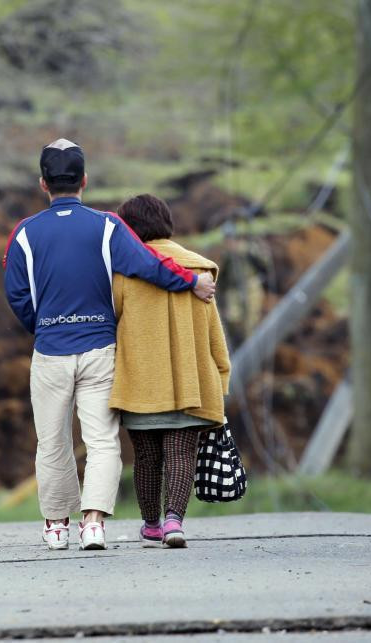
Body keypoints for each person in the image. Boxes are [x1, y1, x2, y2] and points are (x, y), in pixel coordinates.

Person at [3, 139, 216, 551]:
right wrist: (193, 282)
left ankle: (56, 526)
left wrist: (43, 326)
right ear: (84, 180)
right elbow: (149, 266)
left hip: (50, 350)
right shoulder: (108, 227)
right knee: (101, 439)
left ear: (42, 183)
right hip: (100, 348)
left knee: (52, 440)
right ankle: (94, 523)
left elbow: (16, 294)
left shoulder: (24, 233)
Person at [108, 194, 231, 548]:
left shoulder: (125, 273)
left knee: (147, 457)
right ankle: (174, 522)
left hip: (141, 382)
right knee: (180, 454)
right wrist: (221, 373)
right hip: (191, 382)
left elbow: (110, 324)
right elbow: (214, 332)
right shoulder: (199, 271)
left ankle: (151, 526)